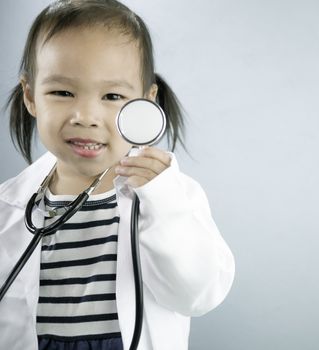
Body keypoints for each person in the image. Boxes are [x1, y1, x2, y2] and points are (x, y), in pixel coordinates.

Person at [0, 1, 235, 349]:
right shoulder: (8, 206)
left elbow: (198, 295)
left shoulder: (172, 199)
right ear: (31, 97)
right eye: (62, 92)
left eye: (112, 96)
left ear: (145, 102)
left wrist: (164, 204)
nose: (86, 115)